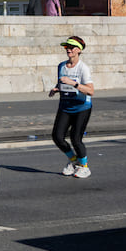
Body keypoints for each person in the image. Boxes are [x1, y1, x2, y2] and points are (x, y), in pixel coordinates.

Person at [48, 35, 95, 178]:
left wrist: (73, 83)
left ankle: (85, 167)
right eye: (66, 47)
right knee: (57, 136)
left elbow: (91, 90)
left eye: (71, 47)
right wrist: (56, 89)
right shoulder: (61, 66)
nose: (68, 50)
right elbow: (62, 83)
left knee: (76, 138)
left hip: (81, 107)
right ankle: (74, 160)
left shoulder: (83, 68)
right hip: (65, 106)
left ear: (78, 50)